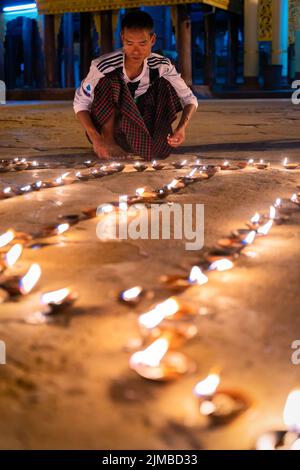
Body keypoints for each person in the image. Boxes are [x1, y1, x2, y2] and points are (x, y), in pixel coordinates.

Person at [73, 10, 198, 160]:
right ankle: (109, 140)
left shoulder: (161, 65)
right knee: (109, 79)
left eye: (142, 43)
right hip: (108, 123)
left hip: (138, 123)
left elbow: (190, 99)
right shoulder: (103, 65)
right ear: (122, 38)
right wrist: (96, 138)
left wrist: (181, 128)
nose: (136, 51)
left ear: (152, 39)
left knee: (158, 151)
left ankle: (139, 141)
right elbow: (80, 103)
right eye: (129, 43)